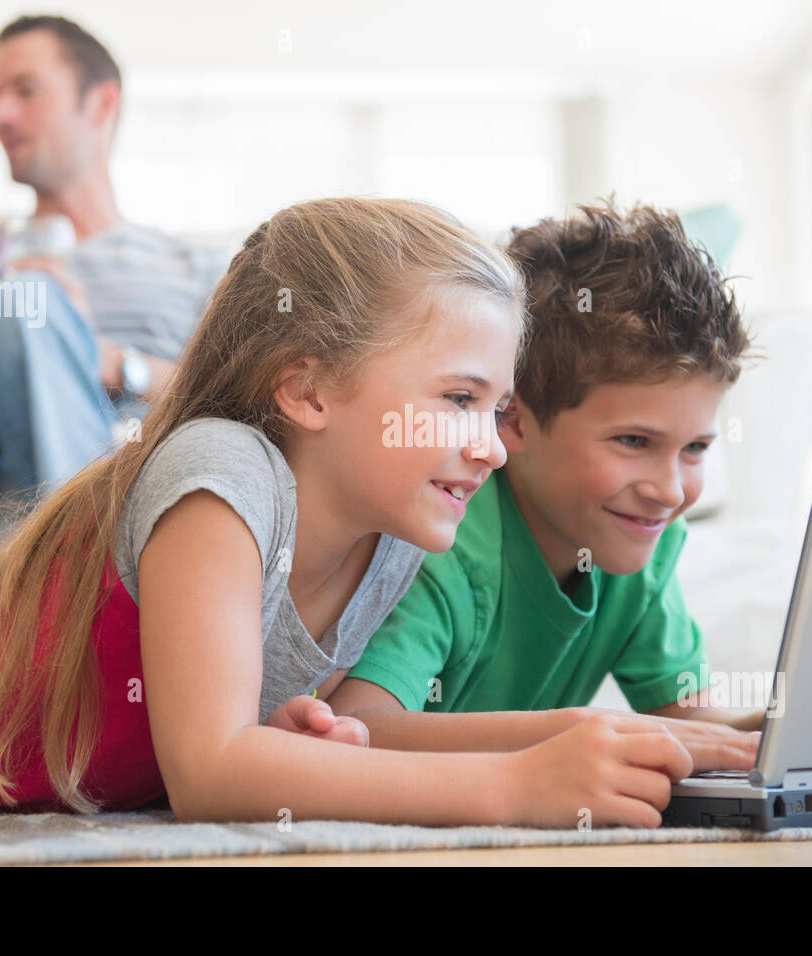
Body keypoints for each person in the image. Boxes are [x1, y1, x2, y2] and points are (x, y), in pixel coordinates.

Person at [0, 197, 730, 829]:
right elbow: (211, 773)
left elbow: (270, 737)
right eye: (458, 400)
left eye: (497, 409)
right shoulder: (223, 478)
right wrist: (519, 786)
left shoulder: (394, 539)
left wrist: (595, 740)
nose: (492, 444)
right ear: (308, 390)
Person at [324, 200, 767, 749]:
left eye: (695, 447)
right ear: (511, 419)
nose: (670, 491)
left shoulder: (640, 546)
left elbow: (696, 725)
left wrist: (769, 734)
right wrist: (574, 735)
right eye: (634, 441)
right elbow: (357, 726)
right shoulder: (444, 548)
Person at [0, 14, 225, 496]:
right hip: (13, 480)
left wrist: (117, 365)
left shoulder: (193, 264)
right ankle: (76, 553)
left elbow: (233, 399)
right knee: (26, 299)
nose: (1, 114)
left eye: (25, 91)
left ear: (102, 104)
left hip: (146, 469)